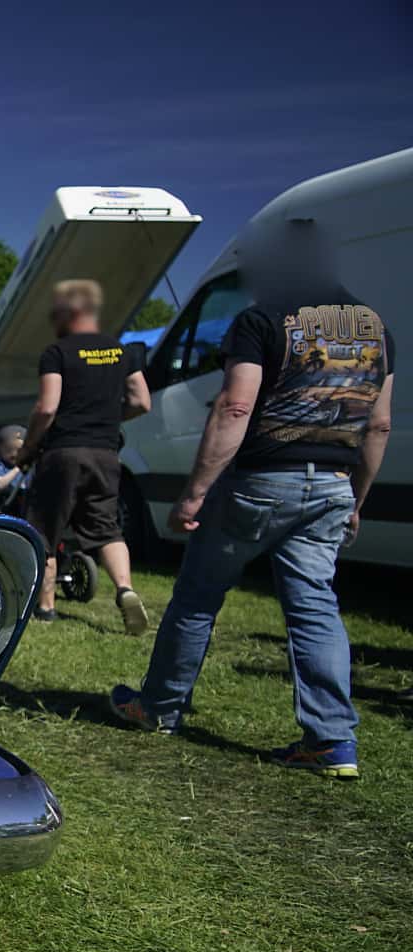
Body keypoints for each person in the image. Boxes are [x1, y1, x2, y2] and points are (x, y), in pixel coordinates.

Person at [111, 226, 395, 776]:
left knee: (197, 595)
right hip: (334, 481)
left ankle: (160, 707)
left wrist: (194, 494)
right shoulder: (376, 329)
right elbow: (378, 424)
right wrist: (355, 498)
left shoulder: (264, 318)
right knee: (314, 608)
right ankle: (331, 740)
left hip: (263, 481)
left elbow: (235, 409)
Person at [16, 280, 152, 629]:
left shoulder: (58, 352)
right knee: (106, 528)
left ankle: (45, 608)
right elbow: (141, 401)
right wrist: (107, 417)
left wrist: (28, 447)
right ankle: (125, 589)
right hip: (106, 453)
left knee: (45, 529)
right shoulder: (122, 351)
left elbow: (47, 408)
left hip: (63, 452)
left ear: (70, 312)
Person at [0, 425, 27, 509]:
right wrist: (17, 469)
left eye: (20, 451)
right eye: (9, 451)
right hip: (10, 502)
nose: (15, 455)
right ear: (0, 450)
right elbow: (0, 484)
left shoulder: (28, 463)